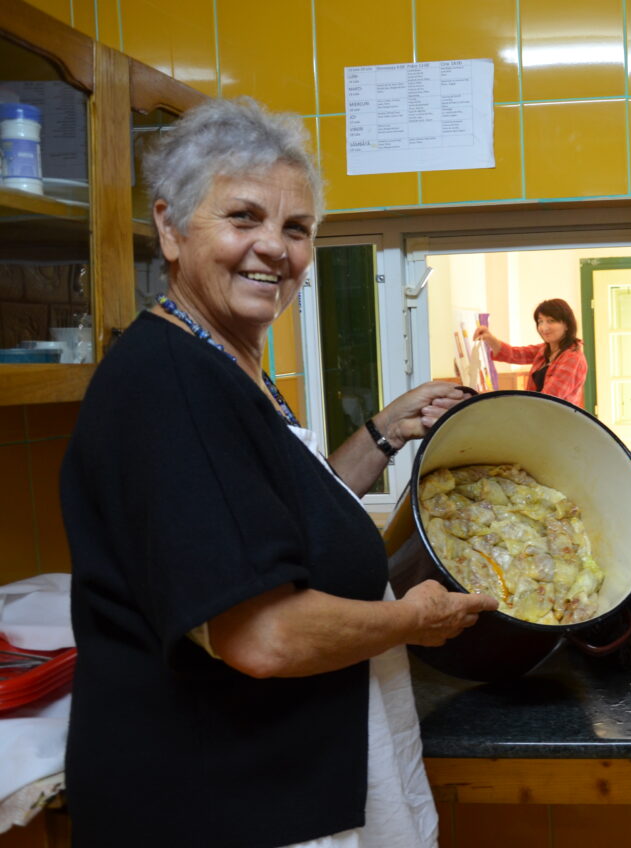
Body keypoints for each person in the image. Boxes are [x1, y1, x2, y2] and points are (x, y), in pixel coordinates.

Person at [59, 96, 498, 848]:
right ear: (169, 228)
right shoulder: (167, 383)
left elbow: (276, 514)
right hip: (220, 800)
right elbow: (262, 635)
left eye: (296, 229)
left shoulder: (226, 360)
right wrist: (414, 621)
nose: (275, 248)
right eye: (243, 218)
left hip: (280, 777)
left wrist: (387, 430)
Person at [473, 298, 588, 407]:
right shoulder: (545, 349)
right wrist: (489, 338)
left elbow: (549, 398)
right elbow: (514, 354)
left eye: (551, 321)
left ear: (567, 324)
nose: (544, 327)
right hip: (539, 415)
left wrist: (497, 397)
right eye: (540, 321)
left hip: (557, 421)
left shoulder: (572, 358)